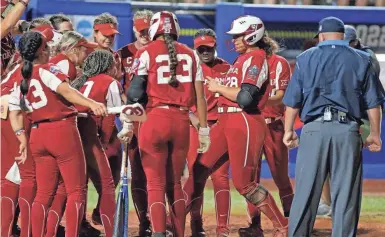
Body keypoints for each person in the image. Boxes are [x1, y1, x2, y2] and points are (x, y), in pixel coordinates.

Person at [185, 15, 289, 237]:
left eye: (238, 36)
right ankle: (169, 224)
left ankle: (282, 225)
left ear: (252, 35)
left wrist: (218, 87)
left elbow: (245, 98)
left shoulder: (257, 58)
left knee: (245, 184)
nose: (234, 40)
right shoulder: (242, 59)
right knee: (199, 170)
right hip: (227, 120)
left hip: (244, 120)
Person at [282, 17, 385, 237]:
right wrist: (375, 134)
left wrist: (288, 130)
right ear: (344, 36)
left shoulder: (304, 58)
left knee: (306, 193)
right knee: (346, 194)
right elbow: (374, 103)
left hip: (313, 130)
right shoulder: (363, 59)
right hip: (347, 131)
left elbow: (292, 102)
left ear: (321, 36)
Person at [7, 31, 107, 237]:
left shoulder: (19, 75)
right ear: (42, 50)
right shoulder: (47, 68)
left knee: (43, 194)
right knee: (76, 191)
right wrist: (92, 104)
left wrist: (21, 138)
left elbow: (15, 113)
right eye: (47, 46)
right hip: (61, 131)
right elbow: (66, 91)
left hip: (36, 134)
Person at [124, 11, 210, 237]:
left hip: (154, 119)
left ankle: (159, 232)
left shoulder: (145, 52)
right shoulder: (191, 54)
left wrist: (129, 123)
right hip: (181, 122)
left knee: (155, 183)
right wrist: (204, 129)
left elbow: (134, 93)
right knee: (175, 184)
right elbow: (200, 97)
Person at [238, 33, 294, 237]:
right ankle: (254, 225)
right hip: (250, 124)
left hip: (272, 126)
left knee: (281, 177)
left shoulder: (279, 63)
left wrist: (255, 101)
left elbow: (283, 96)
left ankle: (292, 223)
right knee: (250, 179)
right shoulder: (242, 61)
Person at [183, 28, 231, 237]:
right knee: (197, 177)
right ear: (195, 49)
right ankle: (196, 223)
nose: (205, 52)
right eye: (200, 48)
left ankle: (223, 229)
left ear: (215, 46)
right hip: (195, 127)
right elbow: (177, 99)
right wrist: (192, 119)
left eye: (208, 48)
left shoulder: (227, 68)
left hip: (221, 126)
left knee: (220, 177)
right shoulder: (188, 69)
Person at [71, 50, 123, 237]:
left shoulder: (80, 80)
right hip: (90, 136)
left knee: (76, 187)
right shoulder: (110, 82)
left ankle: (71, 230)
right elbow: (111, 114)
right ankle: (111, 232)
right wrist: (104, 141)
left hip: (70, 134)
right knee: (107, 186)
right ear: (109, 66)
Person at [116, 9, 154, 236]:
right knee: (137, 172)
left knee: (159, 170)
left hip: (156, 115)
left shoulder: (161, 52)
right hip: (133, 118)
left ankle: (161, 217)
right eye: (141, 30)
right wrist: (130, 108)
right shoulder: (123, 54)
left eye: (148, 30)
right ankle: (144, 222)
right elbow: (117, 86)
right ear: (134, 29)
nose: (145, 34)